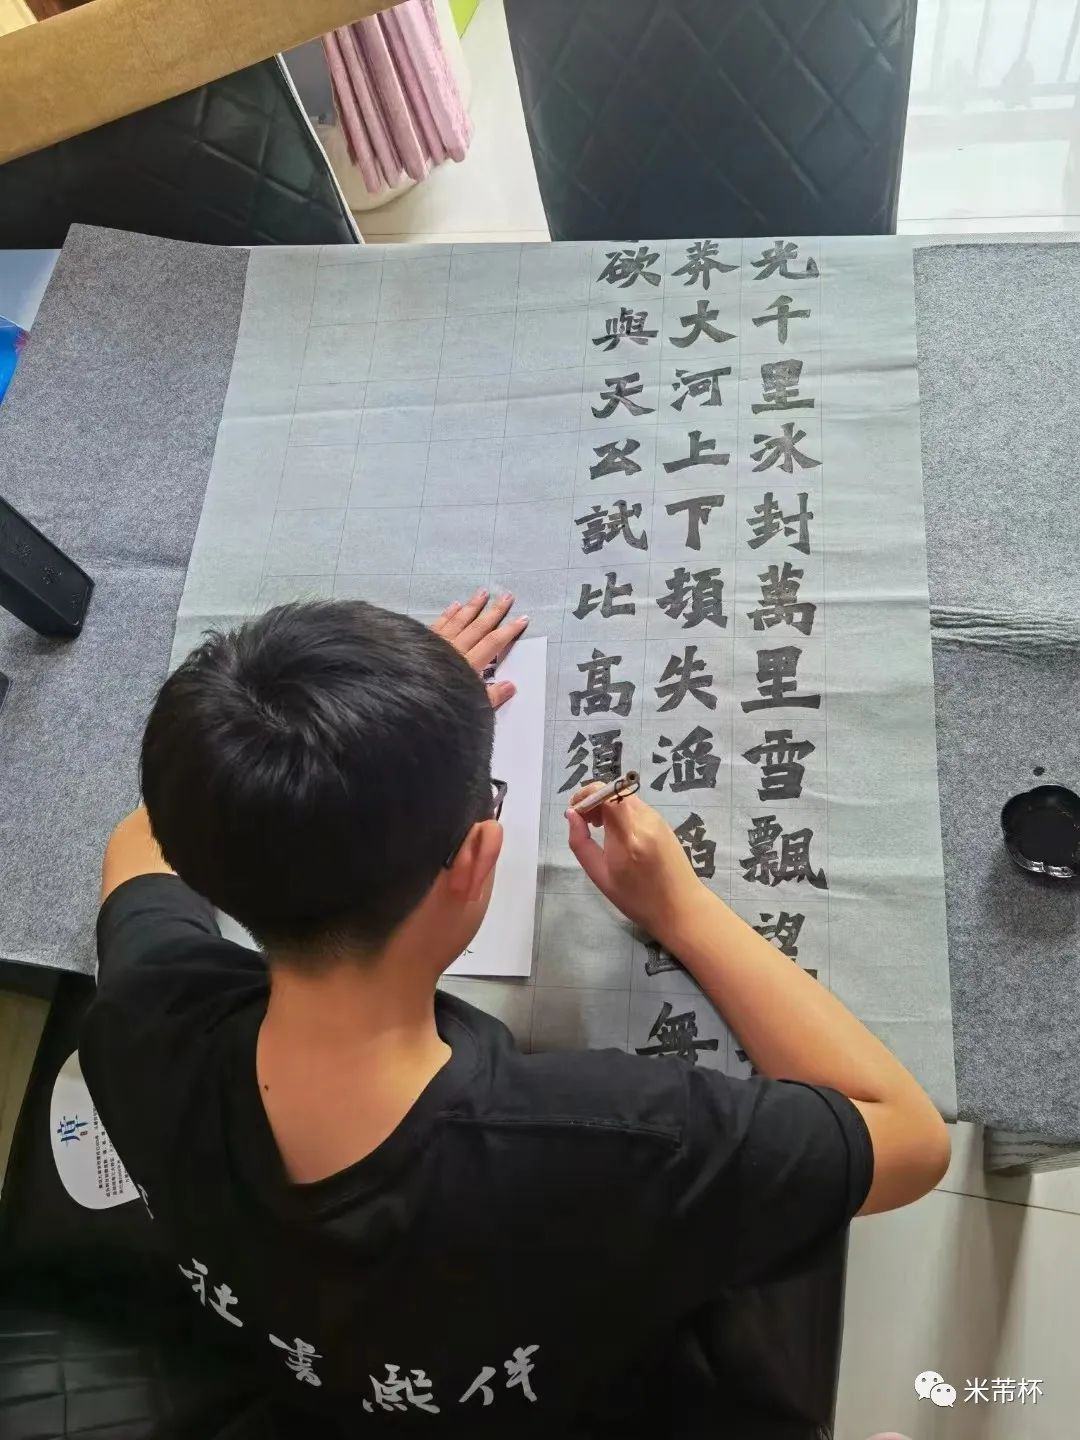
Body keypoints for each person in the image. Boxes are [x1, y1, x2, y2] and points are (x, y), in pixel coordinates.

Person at [81, 591, 950, 1437]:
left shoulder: (142, 1017)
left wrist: (348, 734)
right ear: (475, 858)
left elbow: (139, 838)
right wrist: (681, 910)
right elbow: (910, 1141)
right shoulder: (615, 1141)